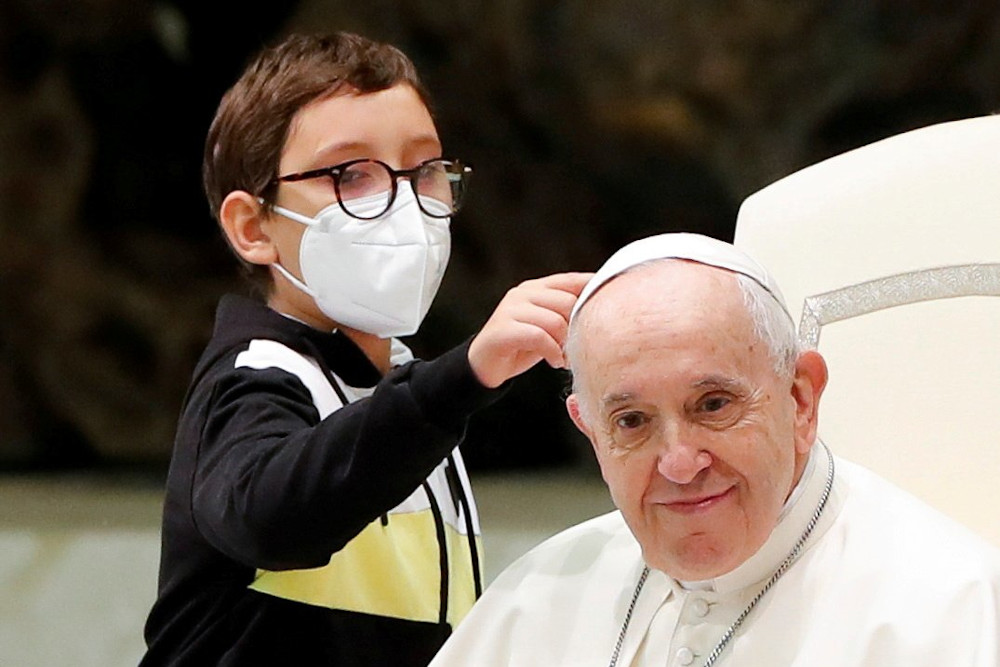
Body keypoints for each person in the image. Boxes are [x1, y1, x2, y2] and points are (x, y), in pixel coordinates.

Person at [140, 31, 591, 666]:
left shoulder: (402, 390)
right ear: (252, 227)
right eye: (350, 174)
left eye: (426, 168)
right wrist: (464, 375)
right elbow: (272, 518)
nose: (404, 202)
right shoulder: (255, 376)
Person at [428, 232, 1000, 667]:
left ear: (800, 399)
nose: (679, 463)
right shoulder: (537, 598)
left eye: (713, 406)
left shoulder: (949, 609)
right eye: (632, 421)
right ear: (592, 435)